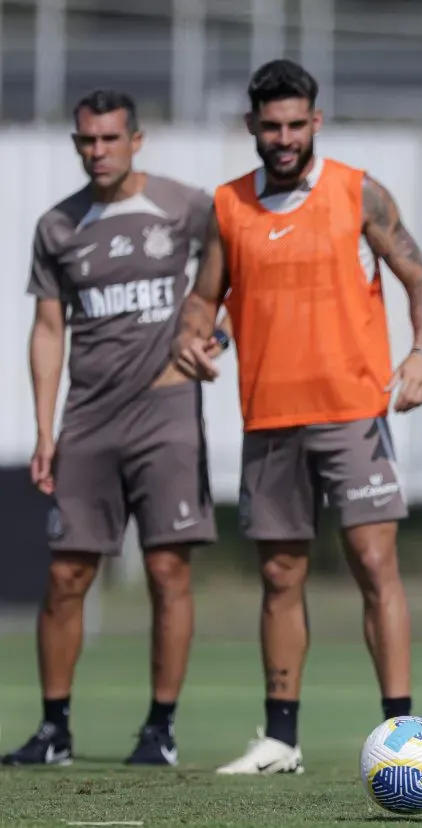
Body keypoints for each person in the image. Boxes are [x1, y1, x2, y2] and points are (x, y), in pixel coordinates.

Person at [172, 59, 422, 776]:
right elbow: (206, 298)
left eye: (296, 124)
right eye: (271, 126)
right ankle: (281, 740)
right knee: (281, 576)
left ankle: (401, 733)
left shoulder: (358, 193)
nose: (284, 137)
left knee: (375, 564)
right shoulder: (227, 206)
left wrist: (421, 353)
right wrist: (194, 334)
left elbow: (419, 278)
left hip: (353, 413)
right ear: (252, 127)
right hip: (268, 420)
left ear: (315, 122)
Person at [2, 90, 226, 768]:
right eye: (84, 141)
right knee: (67, 574)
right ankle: (54, 731)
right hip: (89, 420)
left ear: (136, 139)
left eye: (107, 139)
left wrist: (214, 331)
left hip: (167, 414)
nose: (96, 152)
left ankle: (160, 728)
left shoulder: (186, 206)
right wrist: (45, 431)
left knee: (166, 570)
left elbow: (236, 268)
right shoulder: (58, 226)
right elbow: (47, 331)